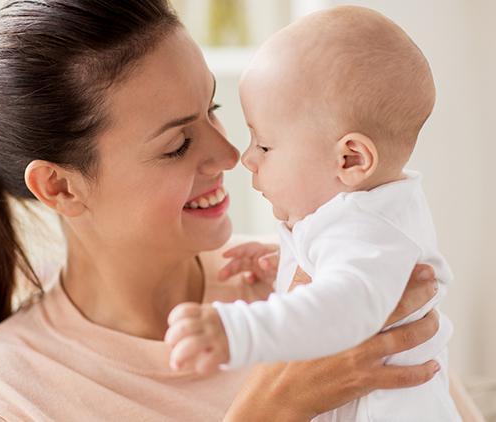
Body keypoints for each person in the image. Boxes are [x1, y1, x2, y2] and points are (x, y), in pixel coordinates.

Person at [0, 1, 478, 420]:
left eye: (214, 107)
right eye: (177, 144)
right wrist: (270, 410)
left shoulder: (312, 279)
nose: (230, 155)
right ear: (60, 187)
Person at [165, 6, 459, 421]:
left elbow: (340, 310)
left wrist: (237, 330)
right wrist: (289, 268)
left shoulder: (369, 231)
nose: (245, 158)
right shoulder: (366, 218)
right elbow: (340, 291)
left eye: (264, 145)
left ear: (351, 159)